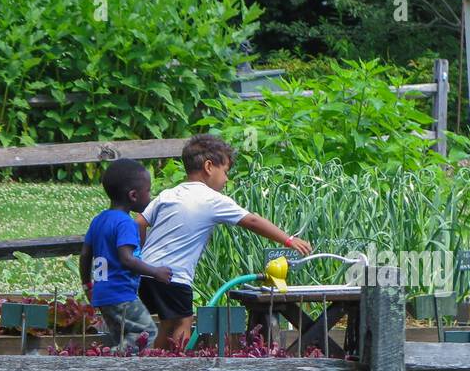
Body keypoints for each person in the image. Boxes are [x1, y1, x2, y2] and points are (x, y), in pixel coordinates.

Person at [138, 134, 313, 349]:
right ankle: (177, 367)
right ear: (209, 167)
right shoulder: (211, 199)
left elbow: (139, 222)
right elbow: (252, 220)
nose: (227, 179)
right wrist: (288, 239)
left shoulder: (168, 194)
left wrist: (141, 254)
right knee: (184, 320)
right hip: (174, 276)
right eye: (226, 172)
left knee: (167, 322)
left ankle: (156, 365)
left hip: (145, 272)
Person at [78, 158, 175, 353]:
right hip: (121, 295)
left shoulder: (99, 220)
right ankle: (105, 359)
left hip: (103, 294)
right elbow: (127, 258)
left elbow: (85, 255)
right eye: (148, 191)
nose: (150, 196)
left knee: (123, 337)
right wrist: (156, 272)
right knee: (145, 334)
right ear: (133, 195)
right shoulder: (125, 223)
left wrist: (87, 284)